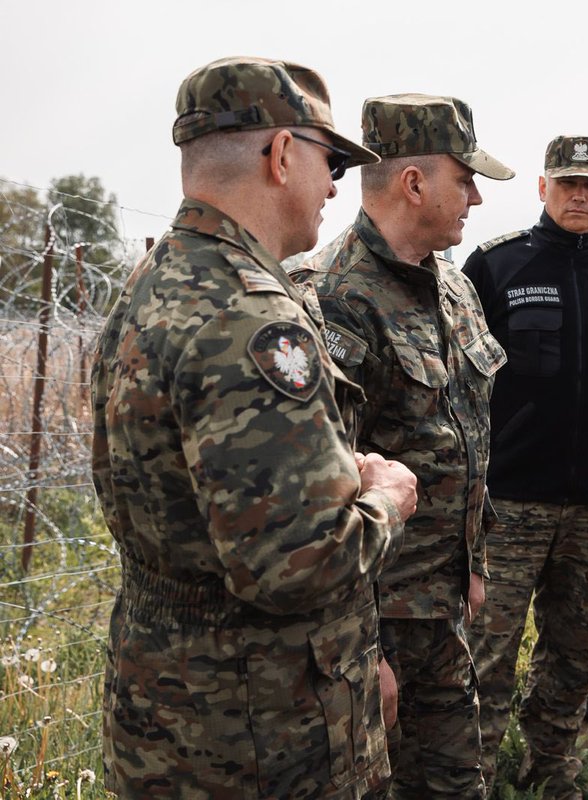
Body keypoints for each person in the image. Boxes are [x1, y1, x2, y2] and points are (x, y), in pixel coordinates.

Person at [91, 56, 419, 798]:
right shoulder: (252, 319)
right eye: (329, 160)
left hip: (163, 706)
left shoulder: (152, 281)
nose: (337, 184)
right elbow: (292, 566)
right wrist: (386, 499)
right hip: (260, 731)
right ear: (280, 155)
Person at [290, 94, 513, 798]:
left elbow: (467, 442)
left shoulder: (453, 289)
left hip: (440, 614)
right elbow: (319, 492)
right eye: (465, 179)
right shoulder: (332, 297)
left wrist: (470, 566)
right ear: (414, 183)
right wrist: (361, 649)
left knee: (455, 782)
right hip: (373, 626)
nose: (476, 197)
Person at [461, 135, 588, 798]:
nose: (579, 195)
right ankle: (473, 778)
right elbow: (459, 384)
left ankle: (554, 777)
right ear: (542, 188)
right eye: (567, 183)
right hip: (507, 505)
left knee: (571, 658)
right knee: (486, 656)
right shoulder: (496, 267)